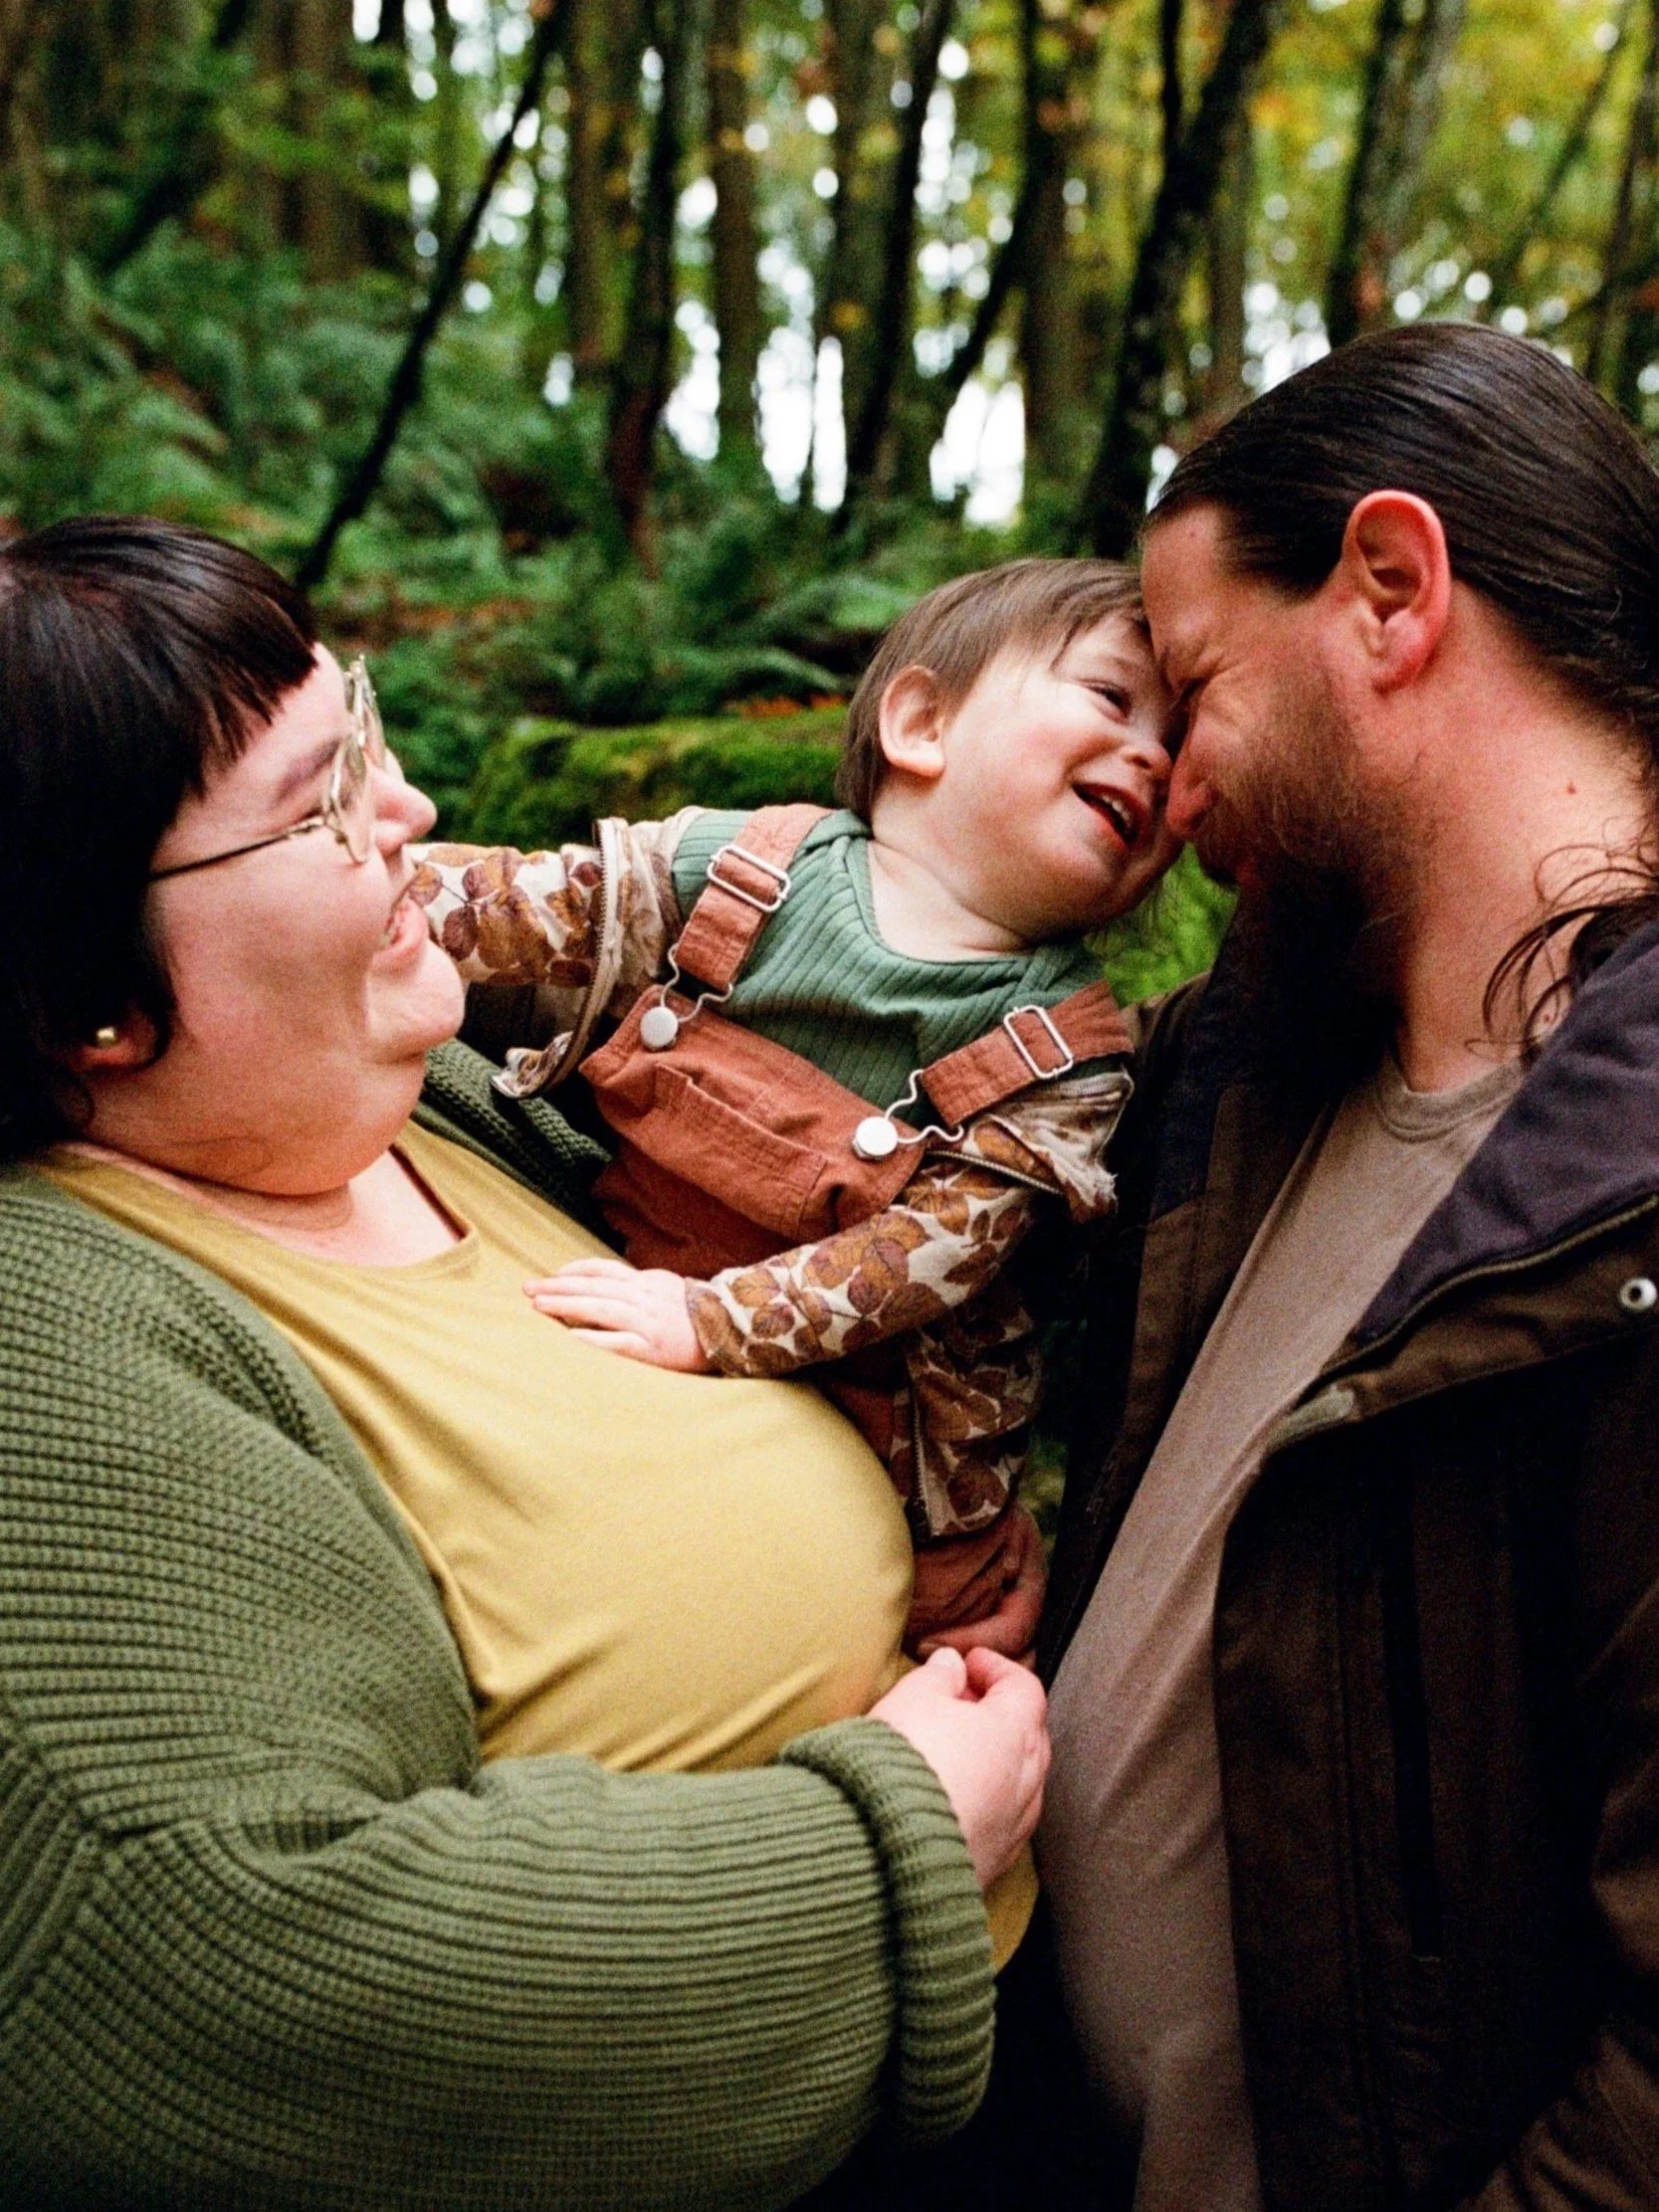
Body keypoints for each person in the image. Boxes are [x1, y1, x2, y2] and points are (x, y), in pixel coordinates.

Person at [0, 513, 1050, 2210]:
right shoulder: (50, 1331)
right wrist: (892, 1841)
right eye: (321, 804)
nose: (408, 813)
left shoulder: (447, 1115)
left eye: (369, 736)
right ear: (86, 1005)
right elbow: (236, 1962)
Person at [1035, 320, 1659, 2210]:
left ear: (1389, 589)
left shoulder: (1626, 1196)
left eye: (1194, 681)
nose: (1165, 777)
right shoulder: (1248, 1079)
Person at [414, 560, 1178, 1659]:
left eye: (1176, 740)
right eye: (1111, 698)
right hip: (624, 1268)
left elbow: (924, 1258)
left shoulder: (1058, 1056)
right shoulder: (743, 871)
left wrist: (713, 1324)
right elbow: (531, 906)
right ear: (921, 722)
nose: (1153, 754)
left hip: (883, 1440)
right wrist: (376, 901)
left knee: (895, 1643)